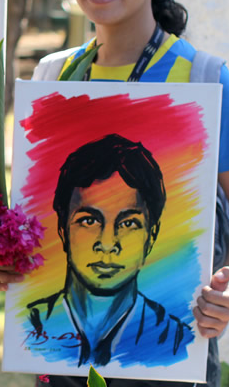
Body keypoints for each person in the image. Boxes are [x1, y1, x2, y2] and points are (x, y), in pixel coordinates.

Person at [0, 0, 229, 387]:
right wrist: (12, 259)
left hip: (170, 359)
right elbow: (36, 216)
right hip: (59, 360)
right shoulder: (54, 76)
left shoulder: (203, 78)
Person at [24, 134, 192, 368]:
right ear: (62, 229)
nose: (107, 243)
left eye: (128, 224)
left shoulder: (175, 340)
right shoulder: (30, 325)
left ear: (151, 236)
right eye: (89, 221)